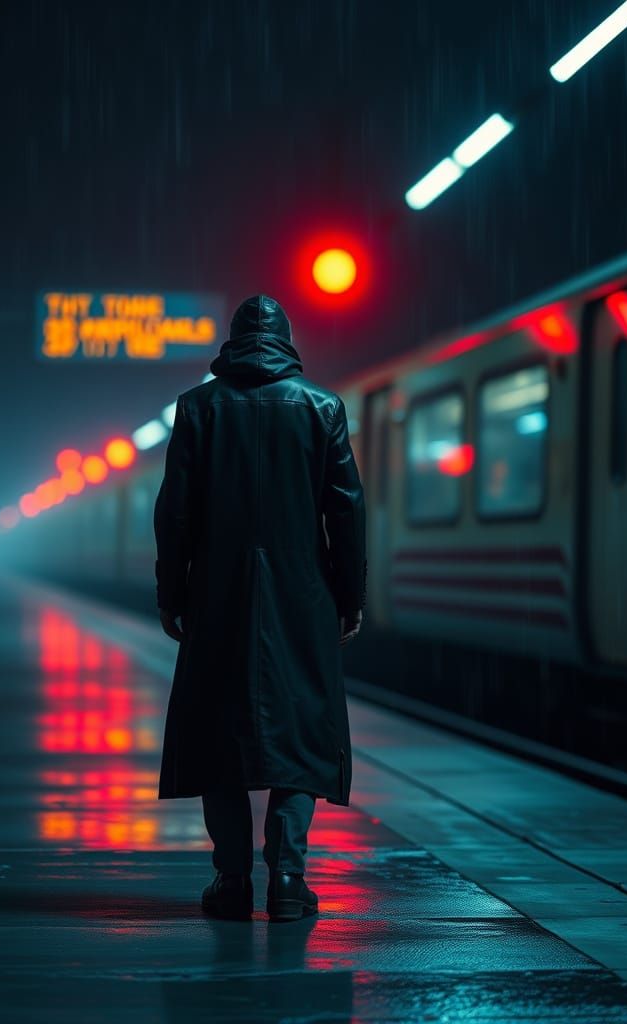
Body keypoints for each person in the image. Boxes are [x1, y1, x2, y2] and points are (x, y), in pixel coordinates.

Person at [153, 293, 367, 923]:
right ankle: (290, 879)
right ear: (287, 339)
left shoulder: (198, 408)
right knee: (302, 731)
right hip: (302, 596)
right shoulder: (321, 407)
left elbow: (175, 513)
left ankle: (230, 879)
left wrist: (173, 595)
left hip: (217, 595)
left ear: (232, 339)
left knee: (220, 731)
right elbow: (346, 510)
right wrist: (349, 597)